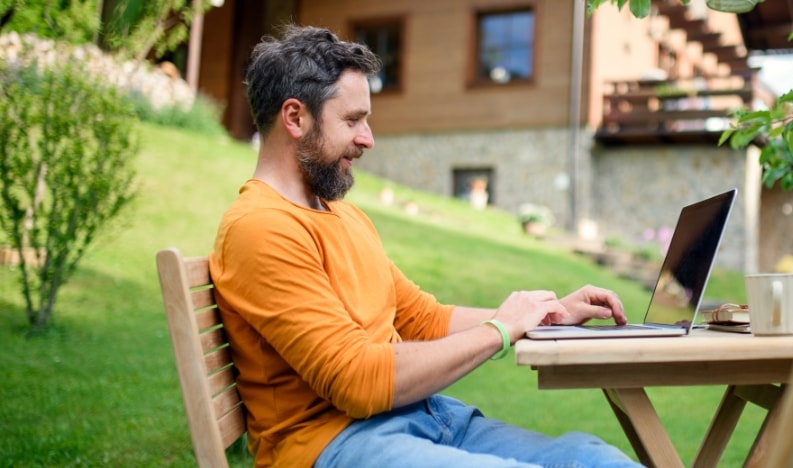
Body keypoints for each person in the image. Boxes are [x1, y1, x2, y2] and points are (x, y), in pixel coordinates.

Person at [209, 25, 640, 468]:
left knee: (591, 458)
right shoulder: (260, 230)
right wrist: (499, 332)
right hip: (335, 444)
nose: (367, 139)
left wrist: (538, 315)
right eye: (352, 120)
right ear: (295, 118)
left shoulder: (342, 215)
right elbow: (358, 383)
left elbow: (421, 318)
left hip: (425, 419)